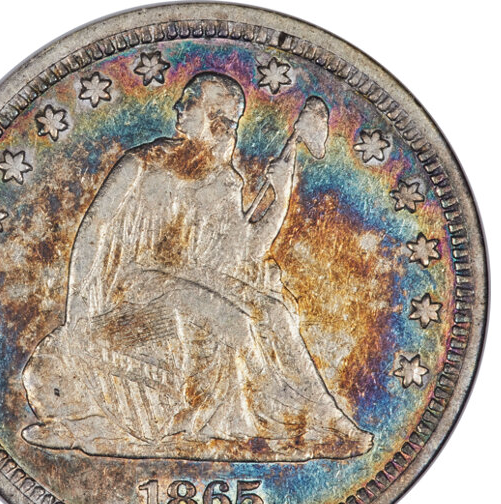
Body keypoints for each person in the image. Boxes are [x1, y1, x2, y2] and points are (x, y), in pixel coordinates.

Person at [22, 72, 373, 461]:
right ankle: (270, 423)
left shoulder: (224, 180)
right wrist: (77, 311)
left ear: (215, 120)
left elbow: (245, 252)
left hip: (188, 279)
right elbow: (94, 229)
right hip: (133, 288)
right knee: (235, 323)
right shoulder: (142, 163)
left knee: (274, 312)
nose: (178, 107)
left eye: (190, 101)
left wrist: (281, 195)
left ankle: (329, 418)